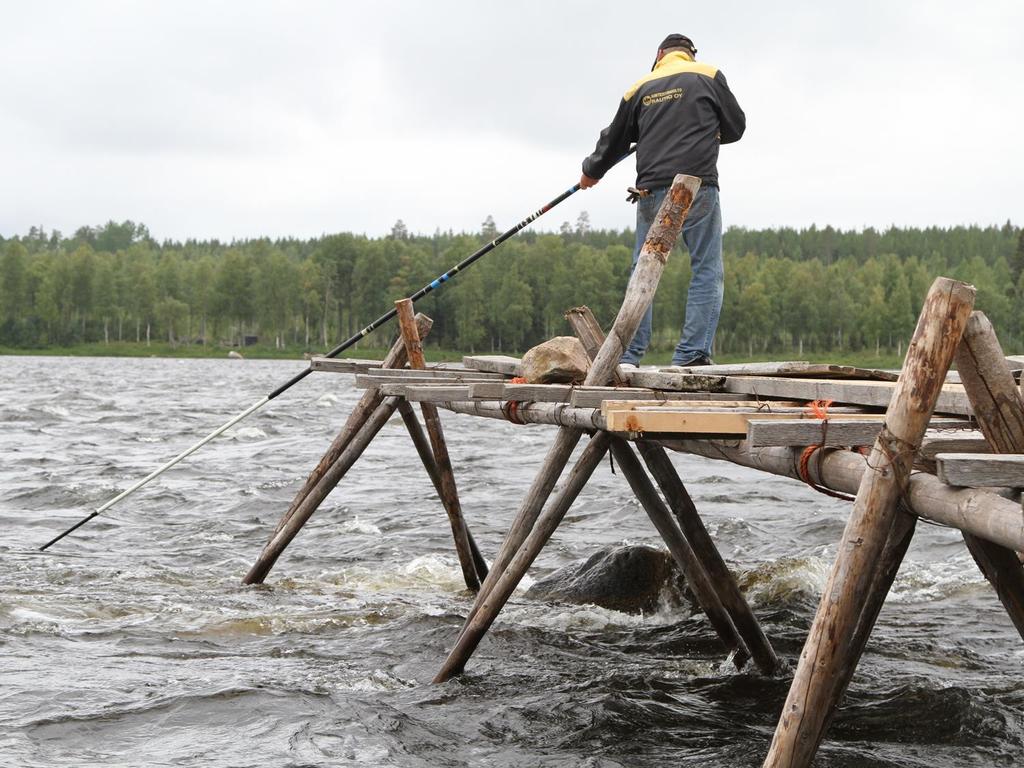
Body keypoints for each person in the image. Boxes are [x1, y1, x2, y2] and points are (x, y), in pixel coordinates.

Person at [580, 33, 745, 367]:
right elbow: (736, 127)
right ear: (690, 54)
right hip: (696, 186)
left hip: (651, 190)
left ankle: (628, 355)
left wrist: (591, 171)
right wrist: (708, 130)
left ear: (659, 55)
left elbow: (613, 140)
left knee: (643, 269)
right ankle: (691, 354)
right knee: (706, 269)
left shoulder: (640, 86)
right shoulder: (709, 76)